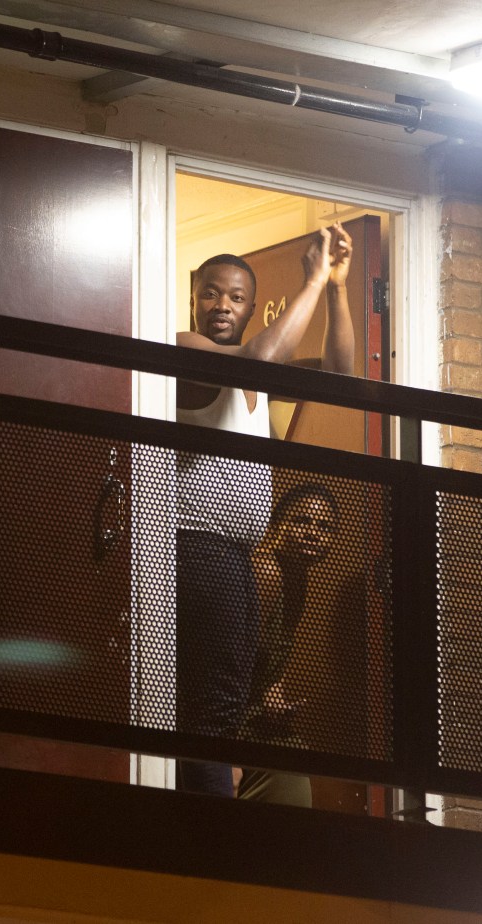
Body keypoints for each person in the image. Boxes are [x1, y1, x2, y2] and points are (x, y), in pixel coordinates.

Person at [175, 223, 354, 797]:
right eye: (210, 292)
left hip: (237, 556)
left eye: (235, 297)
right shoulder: (186, 349)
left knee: (228, 701)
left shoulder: (256, 367)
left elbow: (341, 376)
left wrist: (335, 289)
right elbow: (253, 361)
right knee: (214, 709)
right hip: (198, 550)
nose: (221, 305)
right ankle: (207, 840)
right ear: (194, 300)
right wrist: (309, 276)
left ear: (253, 307)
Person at [238, 482, 339, 807]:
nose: (314, 533)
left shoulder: (297, 580)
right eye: (302, 521)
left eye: (325, 527)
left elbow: (269, 661)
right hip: (231, 724)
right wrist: (227, 757)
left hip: (258, 723)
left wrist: (274, 696)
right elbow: (229, 663)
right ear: (277, 523)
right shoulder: (267, 571)